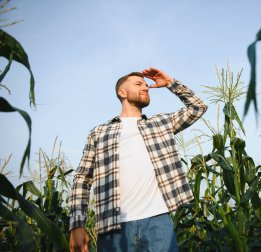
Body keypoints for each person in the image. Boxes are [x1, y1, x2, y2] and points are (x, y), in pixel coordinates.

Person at [69, 67, 208, 252]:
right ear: (122, 92)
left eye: (145, 84)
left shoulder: (161, 123)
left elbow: (198, 107)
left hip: (158, 221)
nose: (146, 87)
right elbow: (82, 179)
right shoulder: (99, 133)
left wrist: (170, 83)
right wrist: (77, 224)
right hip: (113, 226)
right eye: (138, 84)